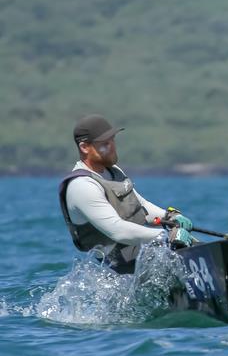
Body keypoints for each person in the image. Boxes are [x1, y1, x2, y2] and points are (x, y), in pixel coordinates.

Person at [58, 114, 193, 273]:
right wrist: (165, 236)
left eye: (113, 140)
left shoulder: (113, 171)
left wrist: (170, 216)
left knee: (195, 247)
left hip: (142, 253)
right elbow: (117, 230)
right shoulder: (81, 186)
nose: (112, 147)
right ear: (84, 147)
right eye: (105, 144)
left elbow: (140, 205)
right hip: (120, 271)